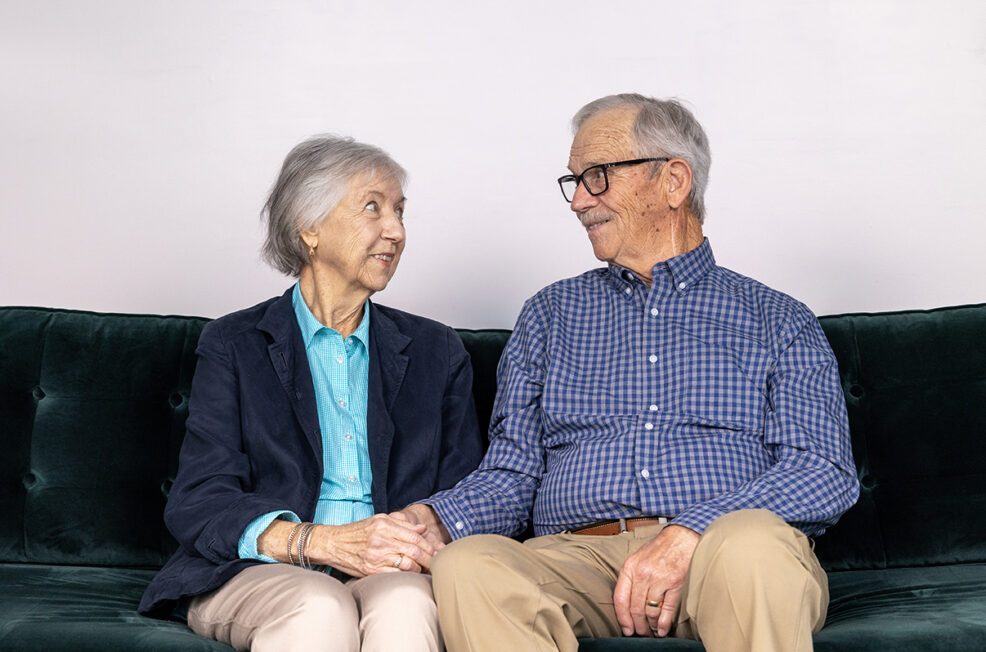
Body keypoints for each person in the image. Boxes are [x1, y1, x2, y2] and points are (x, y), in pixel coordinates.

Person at [400, 94, 860, 652]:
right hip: (579, 558)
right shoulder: (549, 314)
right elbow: (514, 472)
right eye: (574, 181)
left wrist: (691, 530)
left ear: (673, 181)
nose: (578, 202)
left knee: (752, 545)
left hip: (725, 551)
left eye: (597, 176)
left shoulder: (777, 318)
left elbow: (822, 470)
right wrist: (435, 520)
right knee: (468, 565)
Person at [139, 135, 484, 652]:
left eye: (400, 211)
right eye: (373, 207)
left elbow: (466, 493)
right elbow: (200, 498)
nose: (396, 230)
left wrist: (417, 535)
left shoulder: (436, 350)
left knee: (408, 607)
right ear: (310, 229)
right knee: (320, 607)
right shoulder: (235, 344)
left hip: (391, 568)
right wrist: (316, 543)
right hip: (262, 566)